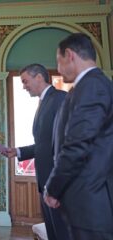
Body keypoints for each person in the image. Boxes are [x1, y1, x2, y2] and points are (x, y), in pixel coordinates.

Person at [44, 33, 113, 239]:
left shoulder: (92, 86)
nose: (58, 68)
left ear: (69, 55)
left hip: (90, 202)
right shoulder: (89, 86)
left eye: (58, 61)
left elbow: (76, 145)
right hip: (85, 201)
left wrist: (54, 188)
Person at [0, 64, 68, 240]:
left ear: (39, 77)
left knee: (63, 234)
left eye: (25, 81)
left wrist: (58, 185)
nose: (23, 86)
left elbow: (66, 145)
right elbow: (44, 144)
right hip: (45, 183)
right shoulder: (43, 103)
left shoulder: (60, 99)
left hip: (58, 185)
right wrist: (17, 152)